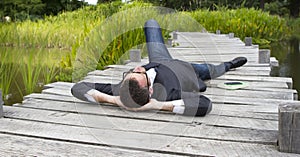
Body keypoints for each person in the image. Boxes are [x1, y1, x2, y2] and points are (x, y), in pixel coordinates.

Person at [71, 19, 247, 116]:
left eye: (131, 72)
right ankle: (231, 64)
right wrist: (158, 106)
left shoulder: (119, 90)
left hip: (159, 58)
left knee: (150, 23)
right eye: (141, 74)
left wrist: (111, 100)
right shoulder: (166, 94)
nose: (139, 68)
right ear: (150, 92)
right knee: (215, 69)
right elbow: (205, 105)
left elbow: (77, 88)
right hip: (189, 71)